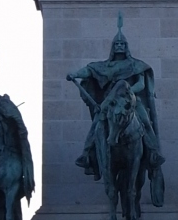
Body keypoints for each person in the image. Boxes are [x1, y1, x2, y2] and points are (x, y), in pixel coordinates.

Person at [68, 14, 164, 191]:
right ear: (113, 47)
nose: (120, 46)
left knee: (145, 121)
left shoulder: (135, 64)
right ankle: (86, 153)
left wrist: (127, 93)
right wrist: (75, 74)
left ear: (126, 47)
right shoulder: (105, 66)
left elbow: (141, 84)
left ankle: (153, 152)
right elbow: (89, 70)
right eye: (117, 44)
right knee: (97, 124)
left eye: (122, 44)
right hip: (111, 102)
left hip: (131, 101)